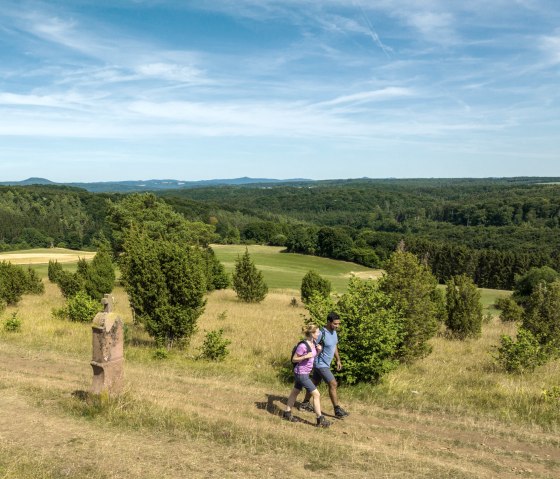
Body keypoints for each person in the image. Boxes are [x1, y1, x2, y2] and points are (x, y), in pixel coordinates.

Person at [300, 312, 349, 418]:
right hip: (319, 363)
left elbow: (334, 345)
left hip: (325, 363)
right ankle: (337, 410)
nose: (337, 326)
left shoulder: (334, 332)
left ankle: (304, 404)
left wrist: (338, 360)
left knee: (314, 383)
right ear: (328, 322)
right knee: (333, 384)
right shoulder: (321, 333)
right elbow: (311, 344)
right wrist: (309, 359)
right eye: (335, 324)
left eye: (338, 324)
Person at [283, 324, 331, 428]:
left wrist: (318, 351)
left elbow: (311, 357)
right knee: (316, 394)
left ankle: (287, 413)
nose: (319, 334)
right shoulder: (303, 346)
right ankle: (320, 419)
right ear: (312, 333)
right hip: (301, 373)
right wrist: (305, 356)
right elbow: (294, 359)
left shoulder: (313, 343)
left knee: (295, 392)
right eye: (317, 332)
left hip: (304, 372)